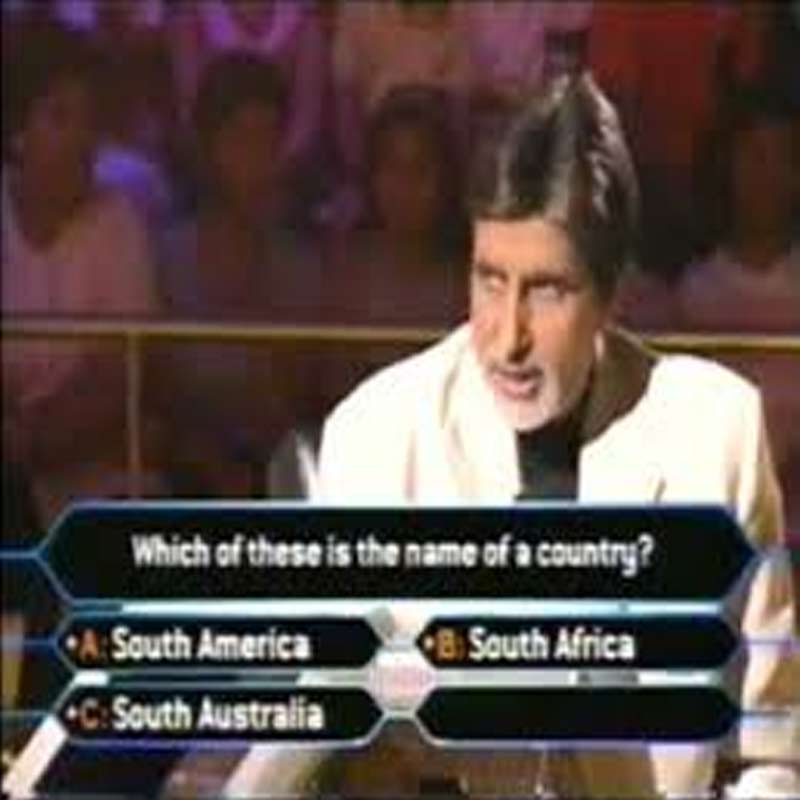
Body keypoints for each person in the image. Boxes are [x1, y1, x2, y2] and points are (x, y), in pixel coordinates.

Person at [303, 73, 797, 797]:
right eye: (490, 280)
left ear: (611, 295)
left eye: (547, 290)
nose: (508, 338)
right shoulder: (375, 435)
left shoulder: (717, 433)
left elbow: (773, 754)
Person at [1, 22, 162, 525]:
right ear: (17, 131)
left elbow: (118, 376)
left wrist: (31, 443)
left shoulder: (119, 223)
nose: (81, 138)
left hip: (100, 485)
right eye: (59, 116)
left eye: (90, 120)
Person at [156, 53, 324, 497]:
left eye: (269, 140)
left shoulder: (301, 264)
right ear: (206, 148)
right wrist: (208, 463)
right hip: (182, 476)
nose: (258, 159)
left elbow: (295, 405)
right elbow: (158, 399)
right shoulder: (167, 257)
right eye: (240, 140)